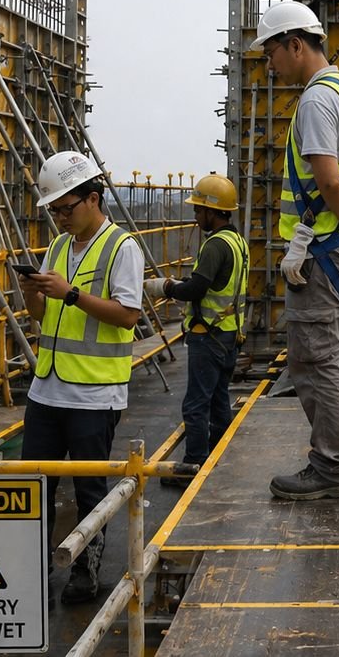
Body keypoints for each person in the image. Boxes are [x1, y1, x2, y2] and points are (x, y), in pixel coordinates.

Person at [251, 0, 339, 501]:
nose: (269, 65)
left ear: (295, 45)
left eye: (271, 54)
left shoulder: (314, 102)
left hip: (325, 253)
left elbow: (328, 180)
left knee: (317, 361)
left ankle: (331, 467)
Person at [19, 150, 143, 603]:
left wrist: (71, 293)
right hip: (47, 388)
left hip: (94, 394)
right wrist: (33, 294)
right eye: (54, 211)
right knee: (35, 482)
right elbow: (41, 316)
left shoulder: (121, 247)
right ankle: (29, 567)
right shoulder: (56, 247)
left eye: (65, 209)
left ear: (93, 199)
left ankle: (85, 571)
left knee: (90, 487)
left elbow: (128, 315)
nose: (60, 218)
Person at [143, 173, 249, 487]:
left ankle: (193, 464)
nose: (195, 214)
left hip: (209, 335)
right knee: (218, 399)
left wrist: (165, 287)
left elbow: (196, 289)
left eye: (199, 209)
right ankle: (219, 454)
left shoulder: (215, 245)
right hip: (229, 334)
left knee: (196, 403)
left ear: (213, 211)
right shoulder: (237, 241)